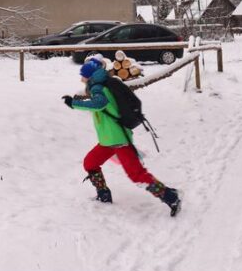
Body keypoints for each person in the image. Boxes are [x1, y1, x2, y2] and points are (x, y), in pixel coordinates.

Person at [63, 59, 181, 216]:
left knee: (136, 174)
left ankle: (170, 196)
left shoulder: (98, 87)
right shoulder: (102, 83)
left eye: (83, 75)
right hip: (108, 140)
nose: (81, 79)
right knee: (90, 163)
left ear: (89, 76)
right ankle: (104, 194)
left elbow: (99, 104)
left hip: (118, 140)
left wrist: (74, 103)